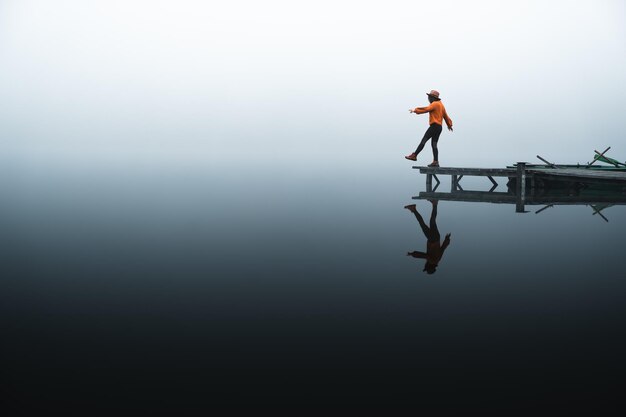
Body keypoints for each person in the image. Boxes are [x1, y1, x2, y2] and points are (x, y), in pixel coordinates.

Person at [405, 90, 453, 167]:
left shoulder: (434, 104)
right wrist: (449, 125)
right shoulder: (441, 105)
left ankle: (414, 155)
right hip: (439, 127)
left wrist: (415, 110)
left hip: (434, 126)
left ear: (432, 98)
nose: (428, 99)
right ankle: (436, 161)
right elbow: (446, 116)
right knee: (434, 144)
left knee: (423, 140)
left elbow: (426, 109)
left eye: (429, 97)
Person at [405, 200, 451, 274]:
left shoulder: (438, 259)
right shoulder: (432, 261)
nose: (425, 265)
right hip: (432, 239)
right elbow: (424, 256)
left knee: (432, 221)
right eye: (426, 267)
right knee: (422, 224)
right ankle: (413, 209)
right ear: (429, 266)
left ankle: (435, 204)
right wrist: (412, 254)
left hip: (436, 238)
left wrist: (447, 240)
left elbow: (443, 248)